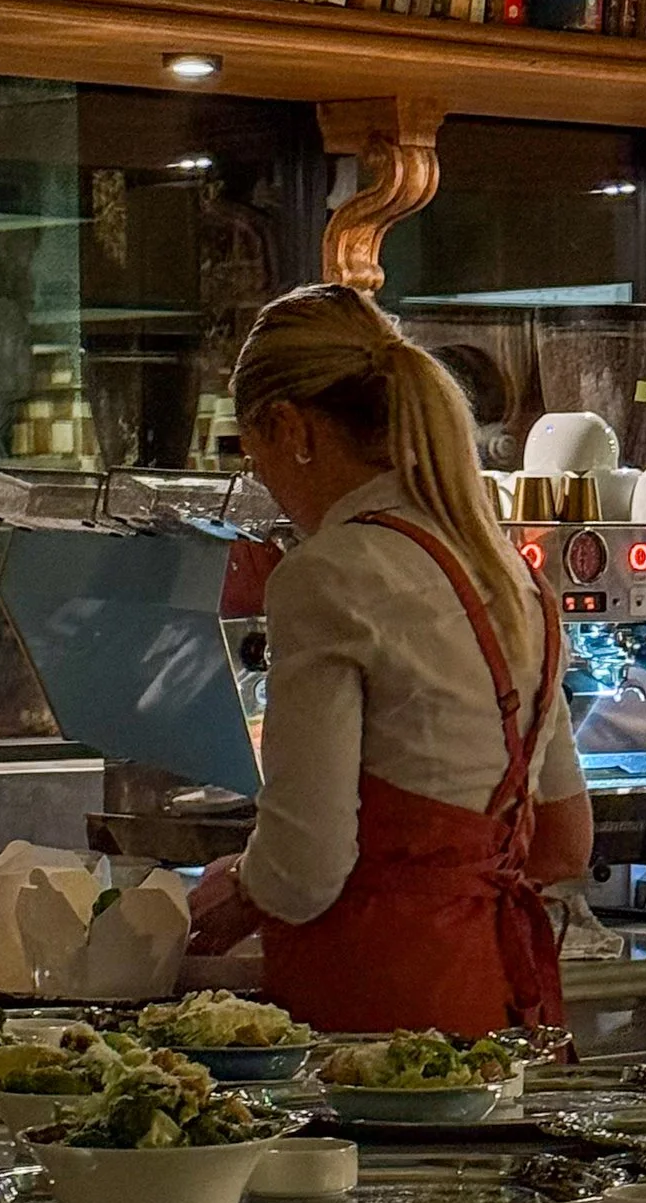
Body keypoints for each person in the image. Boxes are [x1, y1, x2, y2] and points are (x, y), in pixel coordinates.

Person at [186, 284, 593, 1033]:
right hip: (499, 1002)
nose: (265, 484)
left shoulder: (326, 575)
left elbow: (304, 871)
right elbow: (566, 839)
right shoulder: (511, 574)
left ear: (291, 427)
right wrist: (453, 886)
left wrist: (236, 888)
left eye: (255, 453)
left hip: (375, 1018)